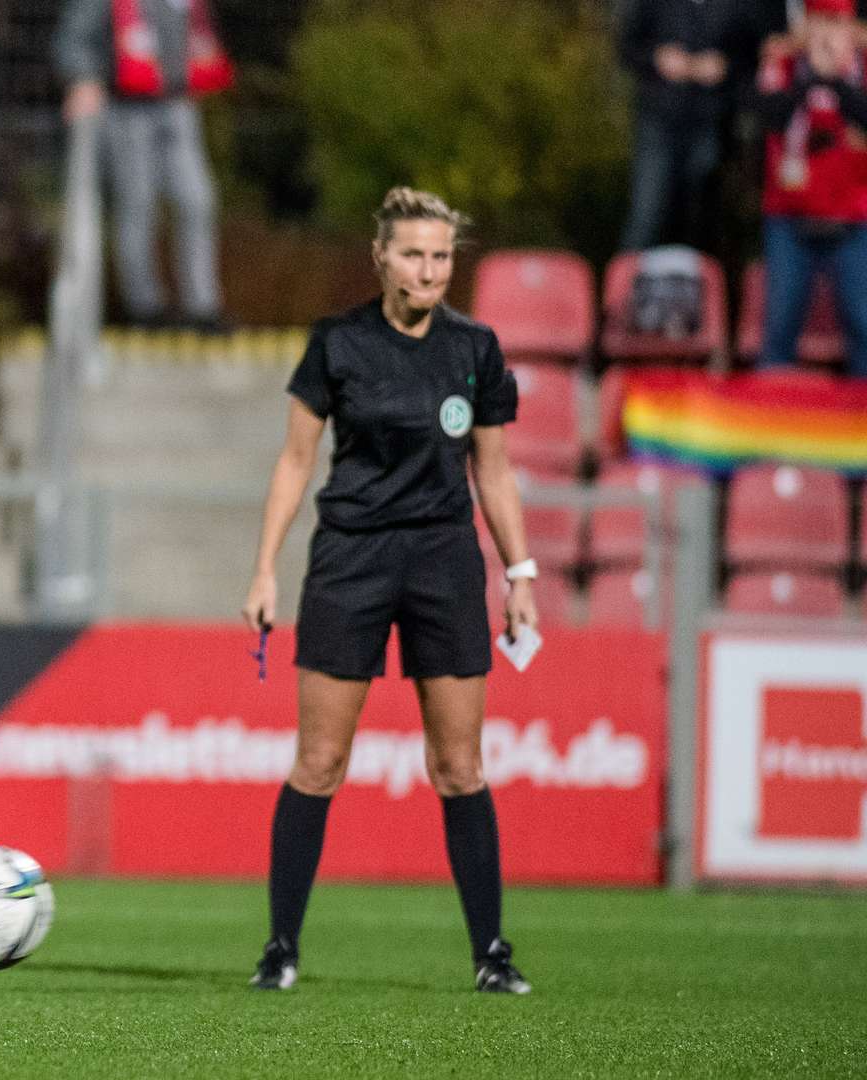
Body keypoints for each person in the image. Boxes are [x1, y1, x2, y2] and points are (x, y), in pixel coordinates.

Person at [240, 188, 536, 994]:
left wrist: (521, 574)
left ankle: (491, 955)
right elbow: (296, 461)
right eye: (413, 254)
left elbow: (495, 471)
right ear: (380, 256)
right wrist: (266, 567)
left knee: (459, 765)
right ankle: (280, 948)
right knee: (321, 760)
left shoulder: (476, 347)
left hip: (444, 561)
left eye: (441, 256)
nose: (429, 270)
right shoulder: (337, 342)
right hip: (352, 560)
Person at [54, 0, 233, 330]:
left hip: (177, 104)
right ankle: (144, 306)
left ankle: (202, 305)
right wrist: (84, 78)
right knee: (138, 204)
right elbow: (72, 39)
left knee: (197, 200)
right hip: (127, 108)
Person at [755, 0, 867, 378]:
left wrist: (835, 79)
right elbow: (771, 116)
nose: (827, 33)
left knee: (863, 324)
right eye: (819, 22)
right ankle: (770, 424)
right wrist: (809, 79)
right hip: (789, 217)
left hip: (853, 218)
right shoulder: (782, 63)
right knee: (779, 328)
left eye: (837, 23)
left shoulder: (862, 67)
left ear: (852, 28)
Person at [616, 0, 764, 251]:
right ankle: (626, 285)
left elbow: (752, 57)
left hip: (712, 123)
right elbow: (627, 47)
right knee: (647, 214)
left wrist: (725, 66)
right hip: (659, 120)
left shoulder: (738, 7)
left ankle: (701, 286)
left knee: (703, 218)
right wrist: (656, 58)